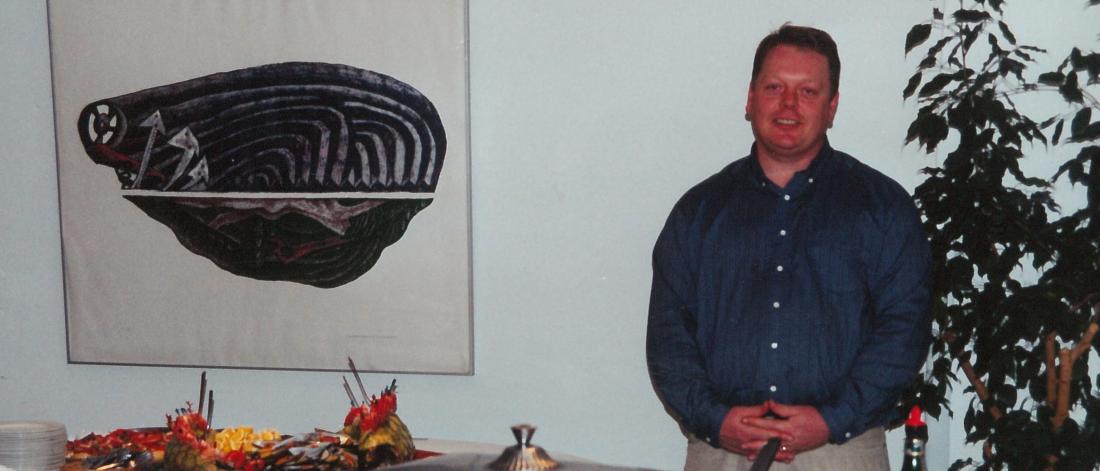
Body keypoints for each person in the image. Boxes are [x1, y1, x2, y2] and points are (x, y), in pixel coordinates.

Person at [646, 24, 931, 470]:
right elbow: (668, 338)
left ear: (832, 106)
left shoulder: (883, 209)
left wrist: (830, 420)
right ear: (750, 98)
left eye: (808, 91)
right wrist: (716, 420)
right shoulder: (698, 213)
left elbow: (903, 331)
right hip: (722, 452)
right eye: (775, 87)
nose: (788, 105)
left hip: (840, 452)